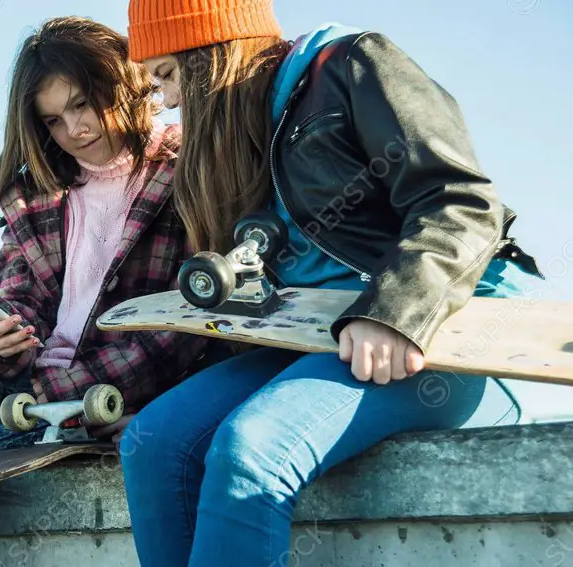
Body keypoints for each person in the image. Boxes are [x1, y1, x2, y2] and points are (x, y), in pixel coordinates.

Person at [117, 1, 545, 565]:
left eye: (168, 75)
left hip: (445, 329)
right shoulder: (243, 134)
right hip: (315, 332)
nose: (167, 101)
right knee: (155, 445)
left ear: (209, 53)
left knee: (251, 450)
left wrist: (393, 313)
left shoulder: (351, 63)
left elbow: (461, 203)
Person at [0, 15, 231, 567]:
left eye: (83, 103)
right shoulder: (36, 192)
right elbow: (19, 298)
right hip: (31, 391)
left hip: (104, 397)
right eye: (54, 120)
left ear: (126, 81)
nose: (75, 129)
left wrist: (49, 388)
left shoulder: (188, 168)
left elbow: (174, 330)